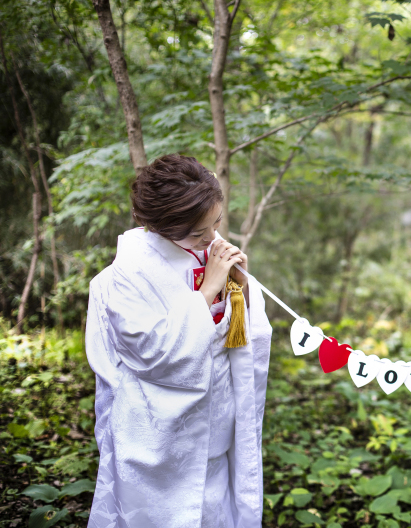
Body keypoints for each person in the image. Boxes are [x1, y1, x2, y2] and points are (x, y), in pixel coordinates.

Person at [85, 154, 272, 528]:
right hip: (158, 442)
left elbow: (247, 334)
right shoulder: (124, 276)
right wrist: (209, 289)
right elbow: (154, 355)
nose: (210, 239)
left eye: (215, 223)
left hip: (215, 428)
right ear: (157, 226)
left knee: (214, 511)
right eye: (196, 233)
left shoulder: (209, 252)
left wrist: (241, 289)